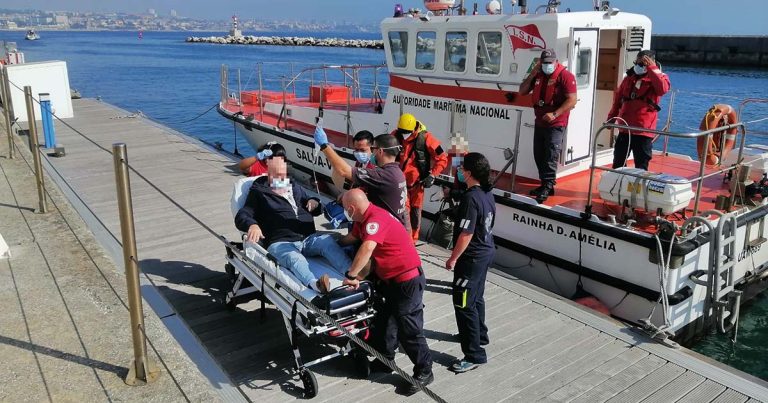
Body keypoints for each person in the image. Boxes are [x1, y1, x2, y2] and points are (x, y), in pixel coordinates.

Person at [340, 189, 433, 394]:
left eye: (346, 209)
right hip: (389, 281)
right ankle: (385, 359)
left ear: (351, 208)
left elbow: (367, 247)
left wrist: (353, 275)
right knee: (384, 323)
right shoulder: (362, 220)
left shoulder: (376, 219)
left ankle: (425, 369)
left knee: (409, 329)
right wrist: (329, 243)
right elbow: (351, 238)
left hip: (407, 281)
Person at [234, 158, 351, 293]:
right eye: (275, 173)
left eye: (282, 172)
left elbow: (317, 208)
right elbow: (243, 215)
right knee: (294, 258)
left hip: (307, 238)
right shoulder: (259, 192)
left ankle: (352, 274)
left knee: (327, 242)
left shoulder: (294, 188)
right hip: (281, 242)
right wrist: (252, 225)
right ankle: (316, 284)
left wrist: (314, 202)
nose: (279, 176)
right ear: (268, 172)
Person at [444, 152, 496, 373]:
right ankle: (480, 335)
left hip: (471, 258)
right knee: (477, 298)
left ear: (469, 172)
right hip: (485, 253)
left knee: (463, 303)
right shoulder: (487, 193)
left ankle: (474, 354)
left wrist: (453, 258)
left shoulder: (470, 198)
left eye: (462, 168)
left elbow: (466, 233)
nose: (459, 171)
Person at [314, 126, 409, 228]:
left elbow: (344, 171)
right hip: (384, 219)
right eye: (356, 150)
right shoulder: (395, 171)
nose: (360, 153)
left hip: (383, 225)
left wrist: (324, 146)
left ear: (379, 151)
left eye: (371, 149)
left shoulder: (379, 173)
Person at [518, 49, 578, 203]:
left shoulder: (565, 76)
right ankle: (545, 185)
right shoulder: (538, 74)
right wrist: (532, 73)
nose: (547, 65)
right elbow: (522, 91)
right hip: (540, 121)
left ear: (556, 61)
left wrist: (555, 114)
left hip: (556, 123)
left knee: (551, 154)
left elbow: (572, 100)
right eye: (544, 62)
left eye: (549, 62)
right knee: (539, 153)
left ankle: (548, 185)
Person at [608, 49, 671, 170]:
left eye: (642, 64)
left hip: (643, 131)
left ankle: (638, 188)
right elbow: (618, 100)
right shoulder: (629, 78)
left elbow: (662, 89)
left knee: (641, 166)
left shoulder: (660, 78)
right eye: (636, 63)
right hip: (625, 129)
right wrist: (611, 118)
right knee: (618, 162)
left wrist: (652, 68)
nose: (638, 66)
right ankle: (617, 186)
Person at [393, 113, 449, 241]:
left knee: (415, 213)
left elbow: (442, 158)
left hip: (418, 184)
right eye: (401, 131)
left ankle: (412, 240)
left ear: (413, 129)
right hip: (400, 183)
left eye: (406, 132)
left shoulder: (426, 138)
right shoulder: (396, 135)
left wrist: (432, 175)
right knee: (403, 211)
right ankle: (404, 239)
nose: (403, 134)